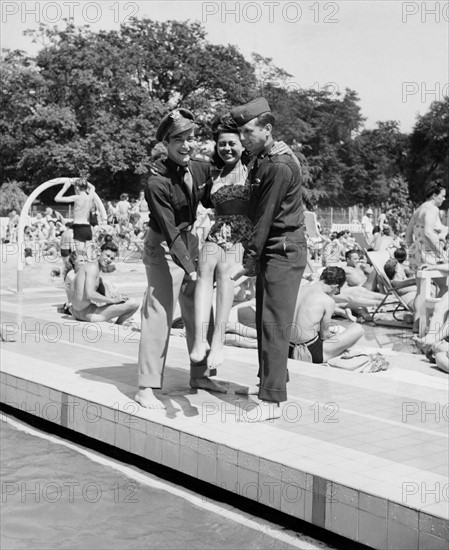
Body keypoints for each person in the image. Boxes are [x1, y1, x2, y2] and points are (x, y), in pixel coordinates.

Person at [135, 108, 227, 410]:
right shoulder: (156, 182)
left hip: (189, 239)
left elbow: (224, 171)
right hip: (163, 244)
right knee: (159, 312)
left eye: (190, 138)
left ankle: (200, 375)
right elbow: (169, 229)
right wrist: (190, 270)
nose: (186, 145)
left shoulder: (198, 169)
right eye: (179, 140)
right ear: (166, 143)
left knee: (200, 307)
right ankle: (146, 386)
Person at [230, 97, 307, 421]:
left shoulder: (277, 165)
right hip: (275, 248)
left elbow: (263, 218)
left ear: (267, 129)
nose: (243, 137)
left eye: (249, 131)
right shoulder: (264, 158)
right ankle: (270, 381)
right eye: (241, 132)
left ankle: (273, 401)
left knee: (274, 324)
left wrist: (246, 261)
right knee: (266, 320)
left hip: (282, 249)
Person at [289, 267, 364, 363]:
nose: (336, 294)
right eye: (338, 291)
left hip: (288, 348)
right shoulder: (327, 301)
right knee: (358, 328)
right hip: (309, 352)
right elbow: (324, 336)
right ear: (335, 286)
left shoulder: (298, 290)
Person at [69, 240, 138, 323]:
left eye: (112, 258)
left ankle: (117, 325)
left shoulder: (91, 269)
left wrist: (118, 299)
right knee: (135, 303)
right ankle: (118, 326)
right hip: (86, 313)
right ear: (99, 253)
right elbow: (90, 294)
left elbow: (107, 296)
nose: (109, 259)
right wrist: (114, 300)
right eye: (107, 255)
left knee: (108, 287)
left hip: (77, 311)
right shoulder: (92, 268)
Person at [405, 182, 447, 273]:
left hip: (416, 254)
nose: (444, 199)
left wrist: (414, 251)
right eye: (443, 196)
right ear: (434, 196)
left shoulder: (418, 210)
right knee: (445, 286)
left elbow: (408, 235)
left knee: (421, 286)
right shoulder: (433, 209)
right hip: (430, 254)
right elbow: (428, 233)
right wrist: (442, 253)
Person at [54, 178, 96, 257]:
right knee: (89, 257)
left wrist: (65, 188)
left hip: (79, 228)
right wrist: (82, 181)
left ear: (77, 187)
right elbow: (93, 187)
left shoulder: (77, 197)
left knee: (81, 256)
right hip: (88, 228)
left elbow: (57, 198)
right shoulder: (90, 196)